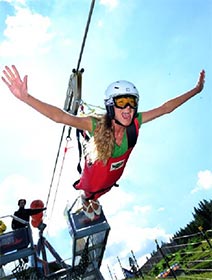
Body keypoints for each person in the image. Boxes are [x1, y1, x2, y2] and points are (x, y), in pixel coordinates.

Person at [2, 65, 205, 221]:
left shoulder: (135, 124)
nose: (128, 108)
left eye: (132, 103)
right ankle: (85, 201)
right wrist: (26, 98)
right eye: (121, 102)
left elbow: (166, 108)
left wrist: (196, 90)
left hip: (110, 180)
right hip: (92, 181)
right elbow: (60, 117)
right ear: (110, 106)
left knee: (99, 195)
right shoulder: (96, 125)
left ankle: (91, 202)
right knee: (90, 195)